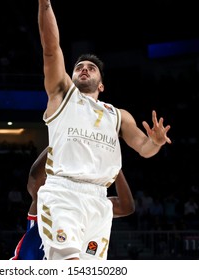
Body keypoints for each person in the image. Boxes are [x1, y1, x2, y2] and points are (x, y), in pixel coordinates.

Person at [36, 0, 171, 260]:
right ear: (72, 77)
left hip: (99, 201)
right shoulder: (62, 95)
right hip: (64, 193)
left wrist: (155, 142)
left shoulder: (118, 115)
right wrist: (45, 4)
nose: (84, 69)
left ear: (101, 86)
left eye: (91, 68)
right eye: (79, 67)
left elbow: (144, 149)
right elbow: (51, 50)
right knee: (68, 266)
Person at [11, 147, 135, 260]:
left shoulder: (89, 203)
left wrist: (114, 164)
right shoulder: (49, 201)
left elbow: (126, 207)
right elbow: (34, 179)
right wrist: (60, 139)